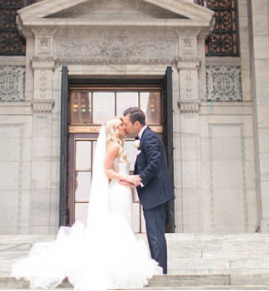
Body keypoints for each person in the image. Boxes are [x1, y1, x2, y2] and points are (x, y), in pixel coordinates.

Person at [11, 117, 161, 290]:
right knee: (118, 224)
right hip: (117, 191)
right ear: (113, 129)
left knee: (123, 223)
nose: (124, 127)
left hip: (123, 191)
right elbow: (106, 170)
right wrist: (126, 178)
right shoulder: (112, 146)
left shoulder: (117, 145)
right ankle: (114, 265)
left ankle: (114, 263)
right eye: (120, 125)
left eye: (123, 124)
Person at [122, 106, 174, 274]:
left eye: (126, 123)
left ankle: (160, 271)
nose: (125, 127)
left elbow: (154, 163)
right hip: (154, 194)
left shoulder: (149, 138)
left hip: (156, 194)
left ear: (136, 124)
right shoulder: (145, 137)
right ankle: (159, 269)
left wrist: (139, 179)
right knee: (154, 235)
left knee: (155, 235)